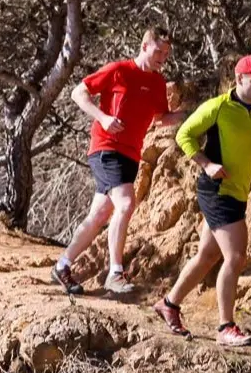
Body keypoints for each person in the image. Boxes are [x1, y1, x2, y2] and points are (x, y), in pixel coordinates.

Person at [152, 55, 251, 346]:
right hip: (216, 189)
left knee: (208, 255)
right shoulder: (217, 107)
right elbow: (185, 134)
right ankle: (225, 327)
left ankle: (169, 304)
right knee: (235, 257)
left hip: (238, 192)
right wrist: (206, 163)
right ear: (239, 79)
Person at [50, 27, 185, 295]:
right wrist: (103, 117)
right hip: (106, 148)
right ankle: (115, 273)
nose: (162, 57)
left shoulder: (158, 83)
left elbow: (162, 118)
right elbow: (79, 93)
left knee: (100, 214)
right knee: (126, 203)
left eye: (166, 54)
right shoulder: (119, 70)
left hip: (130, 155)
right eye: (158, 51)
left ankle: (63, 265)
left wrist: (192, 112)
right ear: (144, 46)